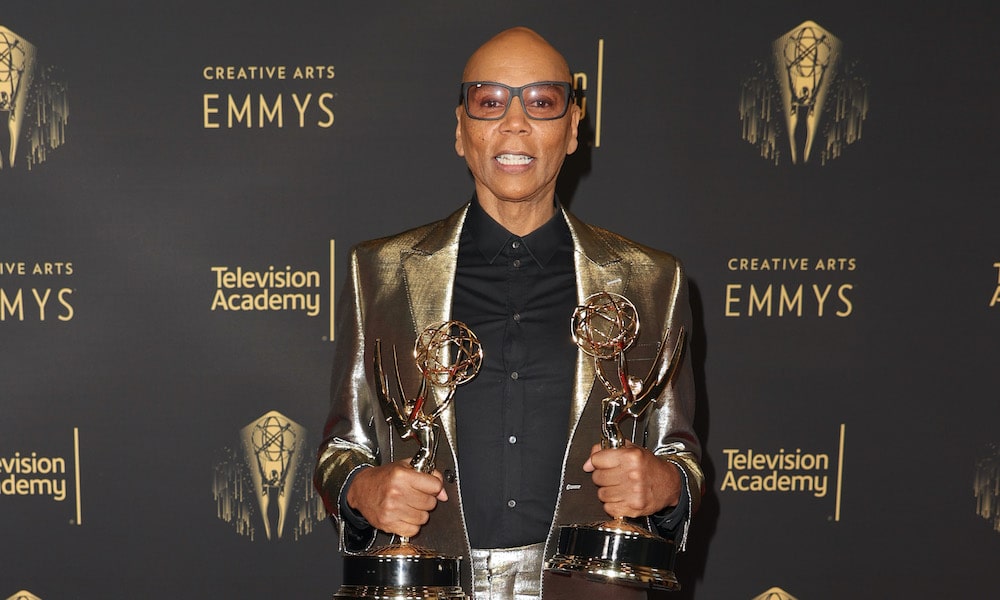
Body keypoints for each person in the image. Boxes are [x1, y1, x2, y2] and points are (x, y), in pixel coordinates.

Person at [314, 26, 704, 599]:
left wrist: (666, 483)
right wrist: (361, 489)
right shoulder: (381, 271)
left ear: (573, 129)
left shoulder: (650, 280)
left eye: (542, 103)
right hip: (428, 583)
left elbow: (681, 457)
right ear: (460, 131)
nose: (515, 123)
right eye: (490, 102)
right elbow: (339, 451)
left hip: (589, 587)